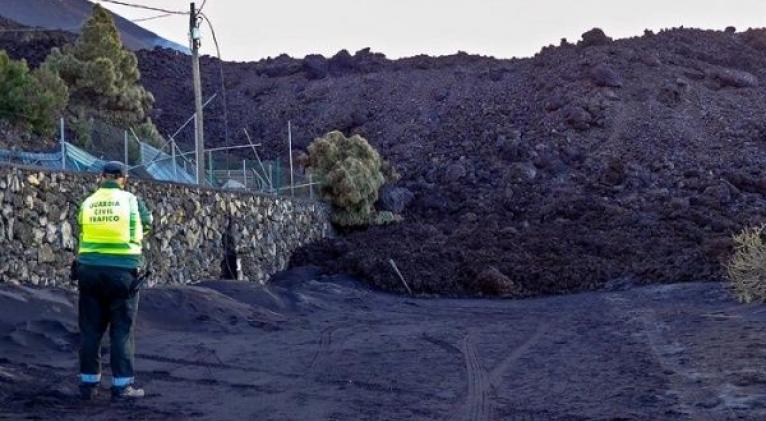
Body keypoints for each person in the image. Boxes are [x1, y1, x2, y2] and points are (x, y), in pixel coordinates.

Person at [74, 161, 153, 400]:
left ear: (102, 177)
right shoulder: (131, 201)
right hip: (123, 273)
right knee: (121, 331)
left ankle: (88, 385)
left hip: (88, 271)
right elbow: (147, 224)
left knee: (90, 330)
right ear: (124, 179)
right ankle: (122, 386)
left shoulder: (88, 202)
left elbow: (80, 225)